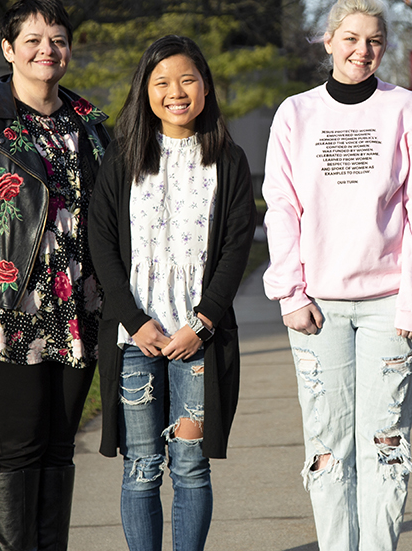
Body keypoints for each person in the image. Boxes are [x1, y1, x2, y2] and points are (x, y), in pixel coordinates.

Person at [262, 0, 412, 551]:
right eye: (349, 38)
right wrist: (290, 295)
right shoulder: (295, 115)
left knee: (385, 444)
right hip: (317, 309)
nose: (360, 51)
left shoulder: (408, 112)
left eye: (372, 40)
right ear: (327, 39)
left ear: (384, 46)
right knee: (327, 448)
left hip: (389, 307)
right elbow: (281, 208)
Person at [88, 35, 256, 551]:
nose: (175, 92)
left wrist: (202, 322)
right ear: (146, 90)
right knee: (142, 464)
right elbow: (102, 244)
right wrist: (134, 321)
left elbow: (235, 249)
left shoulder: (228, 159)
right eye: (161, 82)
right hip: (136, 335)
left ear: (205, 88)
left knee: (190, 463)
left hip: (196, 337)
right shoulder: (122, 156)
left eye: (187, 79)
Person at [0, 0, 109, 551]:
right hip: (7, 311)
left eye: (57, 40)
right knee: (19, 446)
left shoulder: (91, 124)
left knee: (57, 447)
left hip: (79, 310)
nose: (46, 50)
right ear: (8, 49)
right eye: (32, 40)